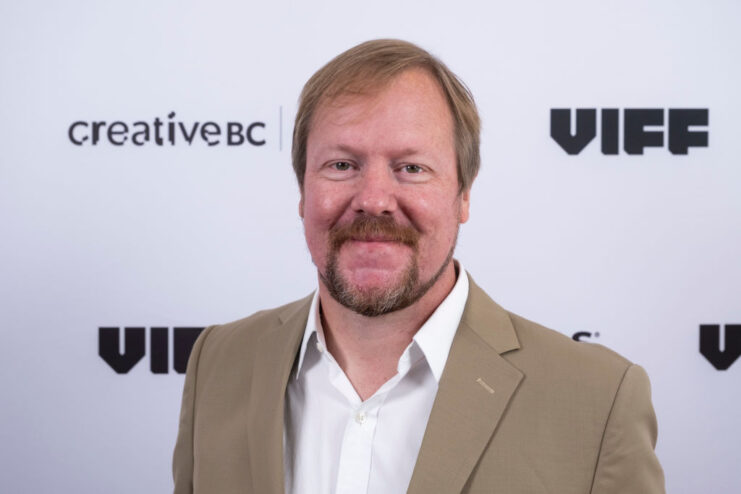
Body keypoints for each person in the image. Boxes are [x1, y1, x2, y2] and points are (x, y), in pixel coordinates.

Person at [172, 39, 665, 494]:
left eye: (411, 168)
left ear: (463, 195)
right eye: (342, 165)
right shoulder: (219, 363)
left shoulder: (597, 401)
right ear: (303, 191)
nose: (373, 200)